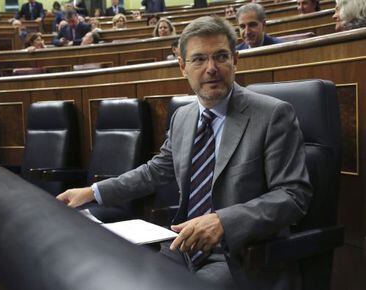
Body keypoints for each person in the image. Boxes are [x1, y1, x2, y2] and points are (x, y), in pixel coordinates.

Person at [57, 15, 312, 289]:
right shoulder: (182, 116)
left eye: (221, 57)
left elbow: (293, 196)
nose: (211, 68)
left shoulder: (273, 114)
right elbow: (155, 170)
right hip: (182, 247)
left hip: (242, 255)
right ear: (182, 66)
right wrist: (92, 193)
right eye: (199, 59)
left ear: (235, 59)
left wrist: (223, 222)